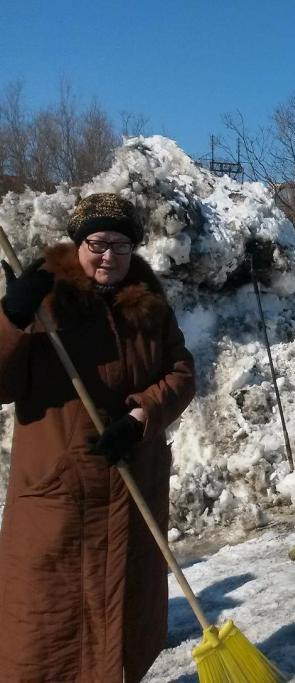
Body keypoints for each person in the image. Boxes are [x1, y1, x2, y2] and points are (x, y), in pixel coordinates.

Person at [0, 193, 196, 682]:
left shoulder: (149, 306)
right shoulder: (43, 302)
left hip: (130, 492)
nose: (109, 255)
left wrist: (140, 417)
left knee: (123, 630)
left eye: (122, 245)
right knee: (48, 637)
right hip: (59, 499)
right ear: (78, 243)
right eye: (98, 242)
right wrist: (11, 319)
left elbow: (181, 374)